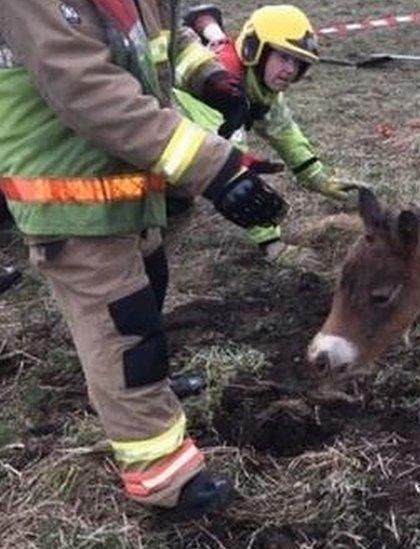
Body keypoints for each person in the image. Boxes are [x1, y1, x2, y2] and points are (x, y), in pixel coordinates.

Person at [0, 0, 287, 518]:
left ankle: (148, 396)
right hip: (73, 196)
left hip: (123, 179)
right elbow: (88, 92)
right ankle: (164, 480)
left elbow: (165, 41)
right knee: (126, 334)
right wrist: (214, 168)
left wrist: (210, 78)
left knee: (149, 287)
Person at [179, 4, 350, 267]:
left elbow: (283, 130)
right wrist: (272, 243)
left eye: (298, 62)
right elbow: (236, 177)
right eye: (283, 57)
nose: (290, 70)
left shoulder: (258, 82)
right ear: (253, 49)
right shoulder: (222, 91)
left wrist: (317, 178)